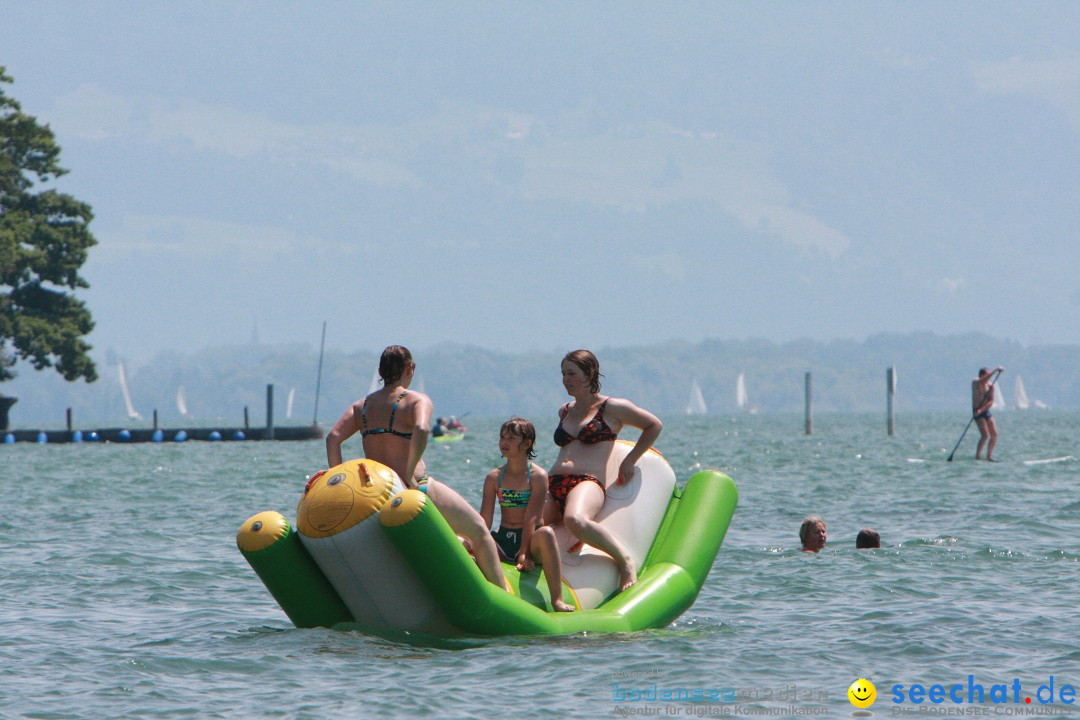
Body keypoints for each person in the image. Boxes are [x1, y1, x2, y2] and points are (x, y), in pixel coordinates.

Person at [325, 345, 509, 591]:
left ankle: (459, 549)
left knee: (453, 537)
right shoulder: (416, 400)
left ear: (380, 370)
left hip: (378, 495)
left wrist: (339, 479)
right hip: (414, 488)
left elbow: (333, 438)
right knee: (478, 530)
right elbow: (422, 428)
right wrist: (410, 471)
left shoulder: (362, 406)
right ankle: (504, 596)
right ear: (409, 369)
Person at [545, 349, 663, 592]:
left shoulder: (612, 407)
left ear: (589, 374)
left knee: (574, 519)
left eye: (571, 373)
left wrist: (629, 460)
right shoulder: (564, 410)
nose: (565, 379)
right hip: (554, 481)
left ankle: (624, 561)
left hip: (586, 482)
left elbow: (653, 425)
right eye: (563, 373)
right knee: (528, 524)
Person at [479, 417, 574, 612]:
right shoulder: (494, 477)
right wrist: (470, 541)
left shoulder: (537, 476)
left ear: (527, 443)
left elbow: (532, 517)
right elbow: (484, 521)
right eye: (502, 437)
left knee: (547, 533)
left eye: (511, 438)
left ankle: (557, 600)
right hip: (504, 539)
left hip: (531, 539)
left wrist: (525, 553)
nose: (504, 443)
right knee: (473, 539)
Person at [971, 366, 1004, 461]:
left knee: (994, 434)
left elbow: (991, 401)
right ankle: (977, 456)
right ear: (981, 375)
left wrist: (983, 409)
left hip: (985, 410)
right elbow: (983, 380)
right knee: (985, 435)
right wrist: (996, 370)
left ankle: (989, 456)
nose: (989, 377)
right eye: (987, 375)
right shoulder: (975, 382)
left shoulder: (990, 385)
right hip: (976, 411)